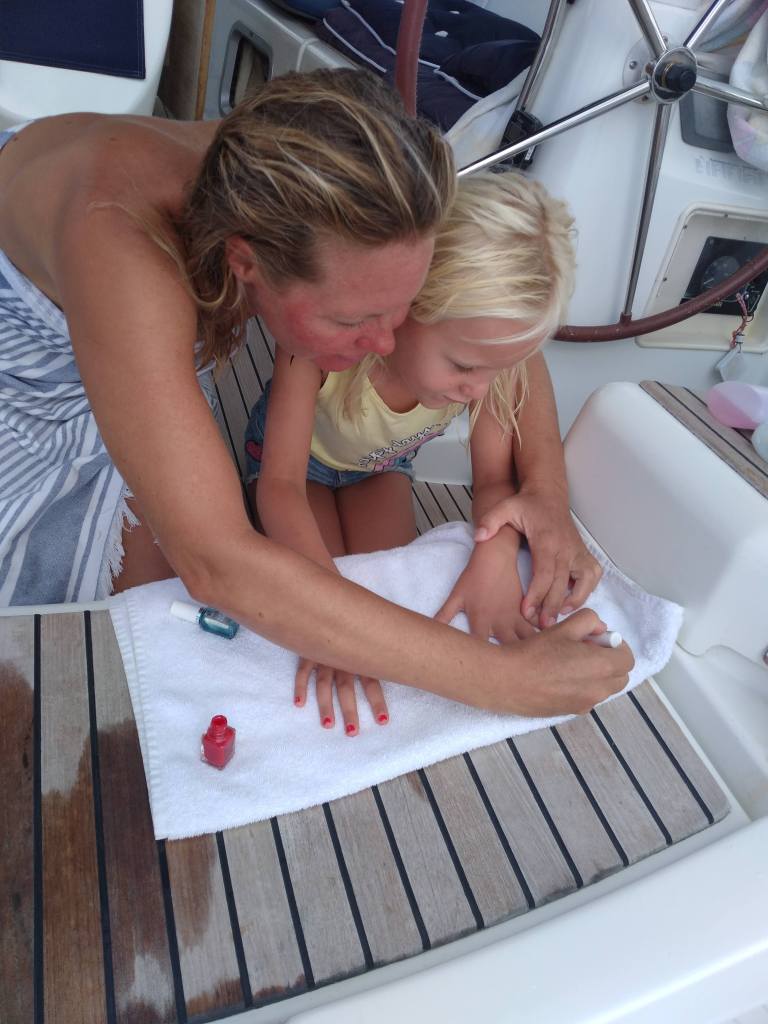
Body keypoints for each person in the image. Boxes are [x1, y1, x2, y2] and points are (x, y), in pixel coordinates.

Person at [0, 67, 632, 717]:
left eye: (403, 307)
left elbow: (503, 341)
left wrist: (546, 495)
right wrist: (505, 680)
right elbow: (218, 562)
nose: (385, 342)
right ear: (245, 265)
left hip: (123, 318)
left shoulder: (379, 187)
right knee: (143, 638)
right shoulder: (122, 246)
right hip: (29, 377)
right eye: (354, 320)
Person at [245, 169, 608, 733]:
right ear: (406, 305)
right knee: (330, 589)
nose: (478, 392)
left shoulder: (485, 362)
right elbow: (281, 487)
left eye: (494, 372)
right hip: (300, 468)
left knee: (392, 588)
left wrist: (495, 558)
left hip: (383, 465)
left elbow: (494, 482)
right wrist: (327, 626)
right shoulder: (322, 345)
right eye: (463, 367)